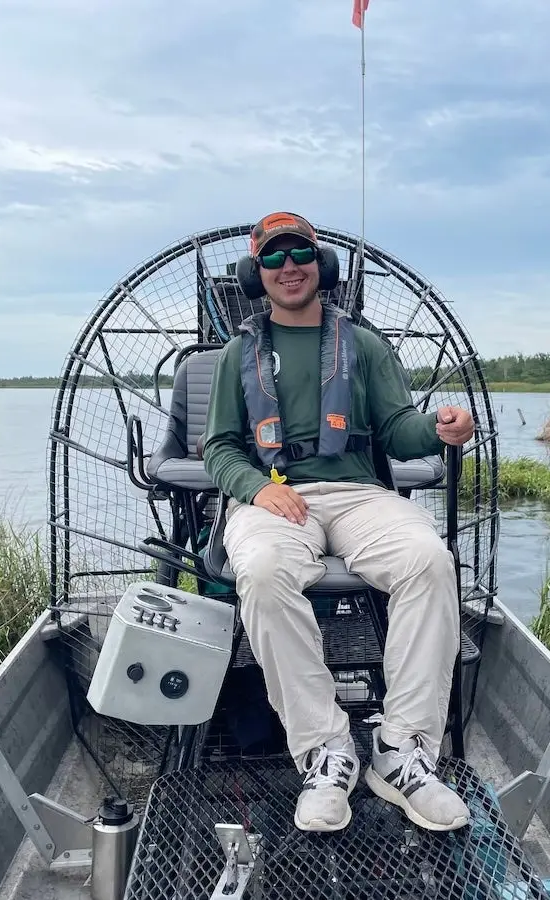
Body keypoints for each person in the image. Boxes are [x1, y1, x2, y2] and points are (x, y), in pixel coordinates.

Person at [202, 211, 474, 834]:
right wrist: (254, 490)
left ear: (320, 265)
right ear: (256, 272)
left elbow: (399, 431)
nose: (287, 267)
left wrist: (437, 428)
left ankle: (403, 751)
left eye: (299, 254)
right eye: (273, 258)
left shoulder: (367, 345)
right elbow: (219, 449)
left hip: (357, 493)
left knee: (429, 562)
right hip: (273, 494)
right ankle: (326, 753)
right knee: (264, 573)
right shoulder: (236, 355)